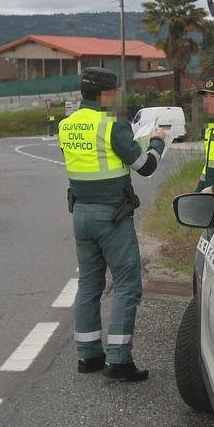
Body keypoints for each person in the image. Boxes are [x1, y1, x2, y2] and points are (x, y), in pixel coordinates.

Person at [58, 67, 167, 382]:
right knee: (126, 286)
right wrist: (158, 142)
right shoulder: (112, 125)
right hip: (112, 217)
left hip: (80, 214)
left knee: (89, 285)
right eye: (117, 90)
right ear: (105, 93)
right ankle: (118, 361)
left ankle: (88, 356)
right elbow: (144, 167)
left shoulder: (67, 126)